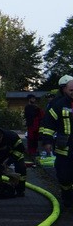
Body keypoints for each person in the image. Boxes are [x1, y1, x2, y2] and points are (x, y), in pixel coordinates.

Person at [39, 74, 73, 209]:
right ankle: (68, 200)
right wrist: (47, 142)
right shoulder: (58, 105)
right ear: (65, 90)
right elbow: (48, 125)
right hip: (64, 149)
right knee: (64, 177)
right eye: (71, 90)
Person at [24, 94, 42, 161]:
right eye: (33, 98)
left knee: (34, 139)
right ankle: (31, 151)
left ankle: (33, 151)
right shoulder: (29, 107)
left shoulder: (35, 107)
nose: (34, 100)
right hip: (31, 125)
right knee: (31, 139)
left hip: (35, 125)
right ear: (30, 99)